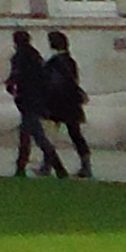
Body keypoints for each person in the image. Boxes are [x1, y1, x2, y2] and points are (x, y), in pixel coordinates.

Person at [4, 29, 66, 177]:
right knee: (26, 134)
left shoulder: (19, 57)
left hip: (27, 100)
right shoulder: (35, 56)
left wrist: (11, 85)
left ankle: (58, 167)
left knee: (37, 135)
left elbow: (15, 77)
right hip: (37, 99)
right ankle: (21, 166)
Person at [41, 31, 95, 178]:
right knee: (75, 134)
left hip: (56, 102)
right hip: (70, 103)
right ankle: (86, 165)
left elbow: (52, 82)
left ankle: (47, 165)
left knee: (50, 135)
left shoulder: (54, 62)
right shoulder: (69, 61)